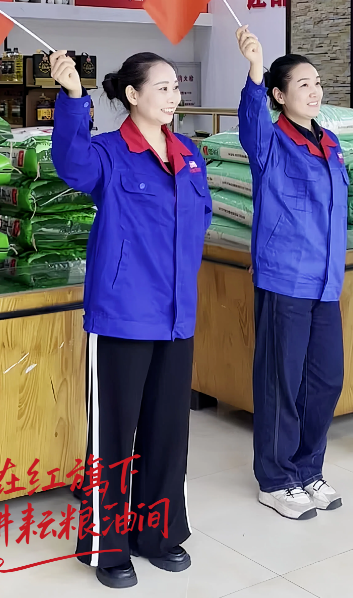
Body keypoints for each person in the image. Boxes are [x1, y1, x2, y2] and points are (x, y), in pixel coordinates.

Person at [51, 50, 212, 589]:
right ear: (133, 95)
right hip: (122, 313)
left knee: (168, 430)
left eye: (175, 88)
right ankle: (108, 546)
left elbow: (200, 217)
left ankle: (157, 535)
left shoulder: (189, 154)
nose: (173, 96)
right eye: (162, 88)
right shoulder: (109, 152)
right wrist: (73, 98)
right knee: (114, 437)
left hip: (176, 315)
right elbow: (71, 165)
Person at [236, 26, 348, 521]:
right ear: (279, 96)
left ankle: (307, 468)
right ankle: (276, 478)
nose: (315, 91)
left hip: (326, 281)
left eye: (317, 83)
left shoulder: (330, 143)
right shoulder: (271, 140)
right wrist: (254, 72)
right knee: (281, 381)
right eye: (303, 84)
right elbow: (250, 123)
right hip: (286, 276)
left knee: (325, 379)